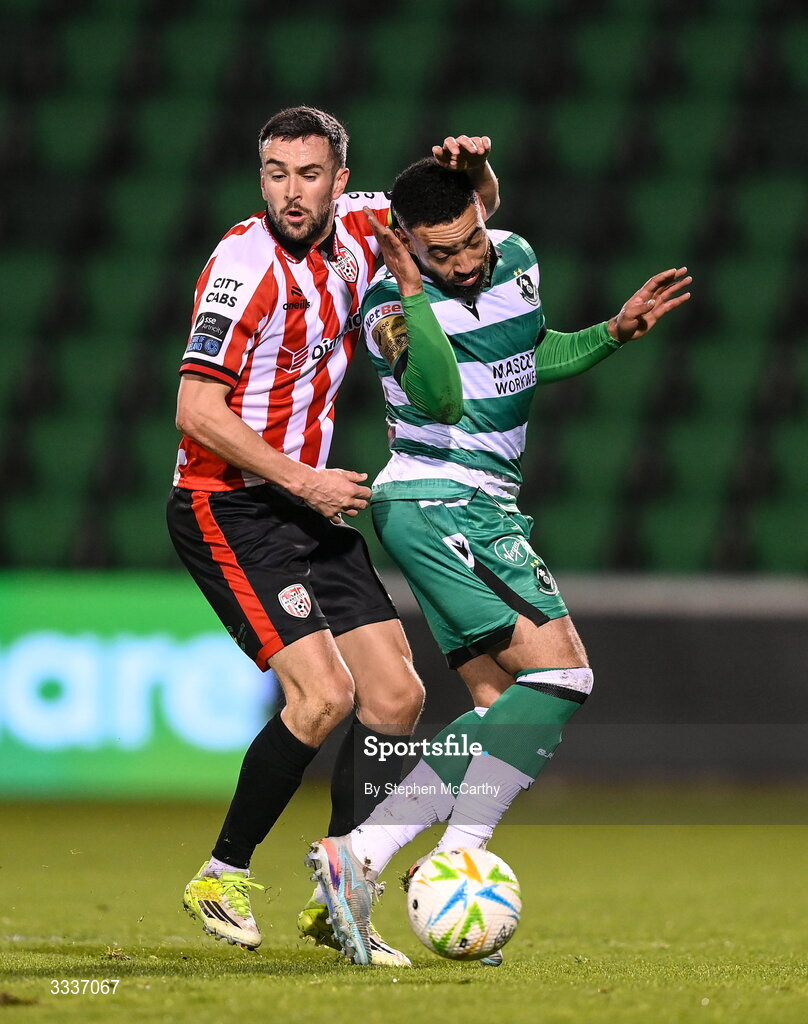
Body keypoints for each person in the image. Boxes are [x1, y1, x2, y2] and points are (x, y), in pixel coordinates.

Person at [306, 158, 691, 965]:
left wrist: (610, 337)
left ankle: (410, 858)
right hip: (441, 501)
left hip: (478, 504)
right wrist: (413, 288)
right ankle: (369, 854)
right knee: (563, 675)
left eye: (471, 240)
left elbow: (525, 358)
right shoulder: (389, 309)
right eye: (441, 253)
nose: (466, 261)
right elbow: (443, 399)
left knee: (493, 708)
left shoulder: (515, 256)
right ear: (406, 246)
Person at [166, 107, 500, 966]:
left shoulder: (361, 226)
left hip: (310, 506)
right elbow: (196, 411)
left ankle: (342, 890)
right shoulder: (243, 269)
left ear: (340, 179)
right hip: (231, 506)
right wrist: (302, 477)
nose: (291, 192)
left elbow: (462, 230)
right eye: (276, 173)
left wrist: (472, 176)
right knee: (322, 698)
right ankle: (223, 872)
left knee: (397, 699)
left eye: (308, 174)